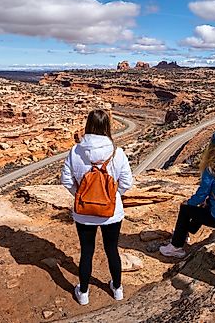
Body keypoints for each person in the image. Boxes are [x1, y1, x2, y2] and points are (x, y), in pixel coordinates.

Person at [61, 109, 133, 306]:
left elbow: (66, 180)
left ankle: (83, 293)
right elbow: (127, 182)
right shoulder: (117, 152)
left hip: (84, 213)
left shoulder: (75, 151)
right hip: (111, 212)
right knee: (112, 250)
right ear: (107, 126)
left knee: (86, 251)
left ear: (88, 125)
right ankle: (117, 289)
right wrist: (113, 196)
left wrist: (81, 195)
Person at [158, 131, 215, 259]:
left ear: (212, 147)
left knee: (186, 209)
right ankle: (185, 232)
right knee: (204, 205)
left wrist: (189, 202)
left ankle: (176, 247)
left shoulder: (212, 169)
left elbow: (201, 194)